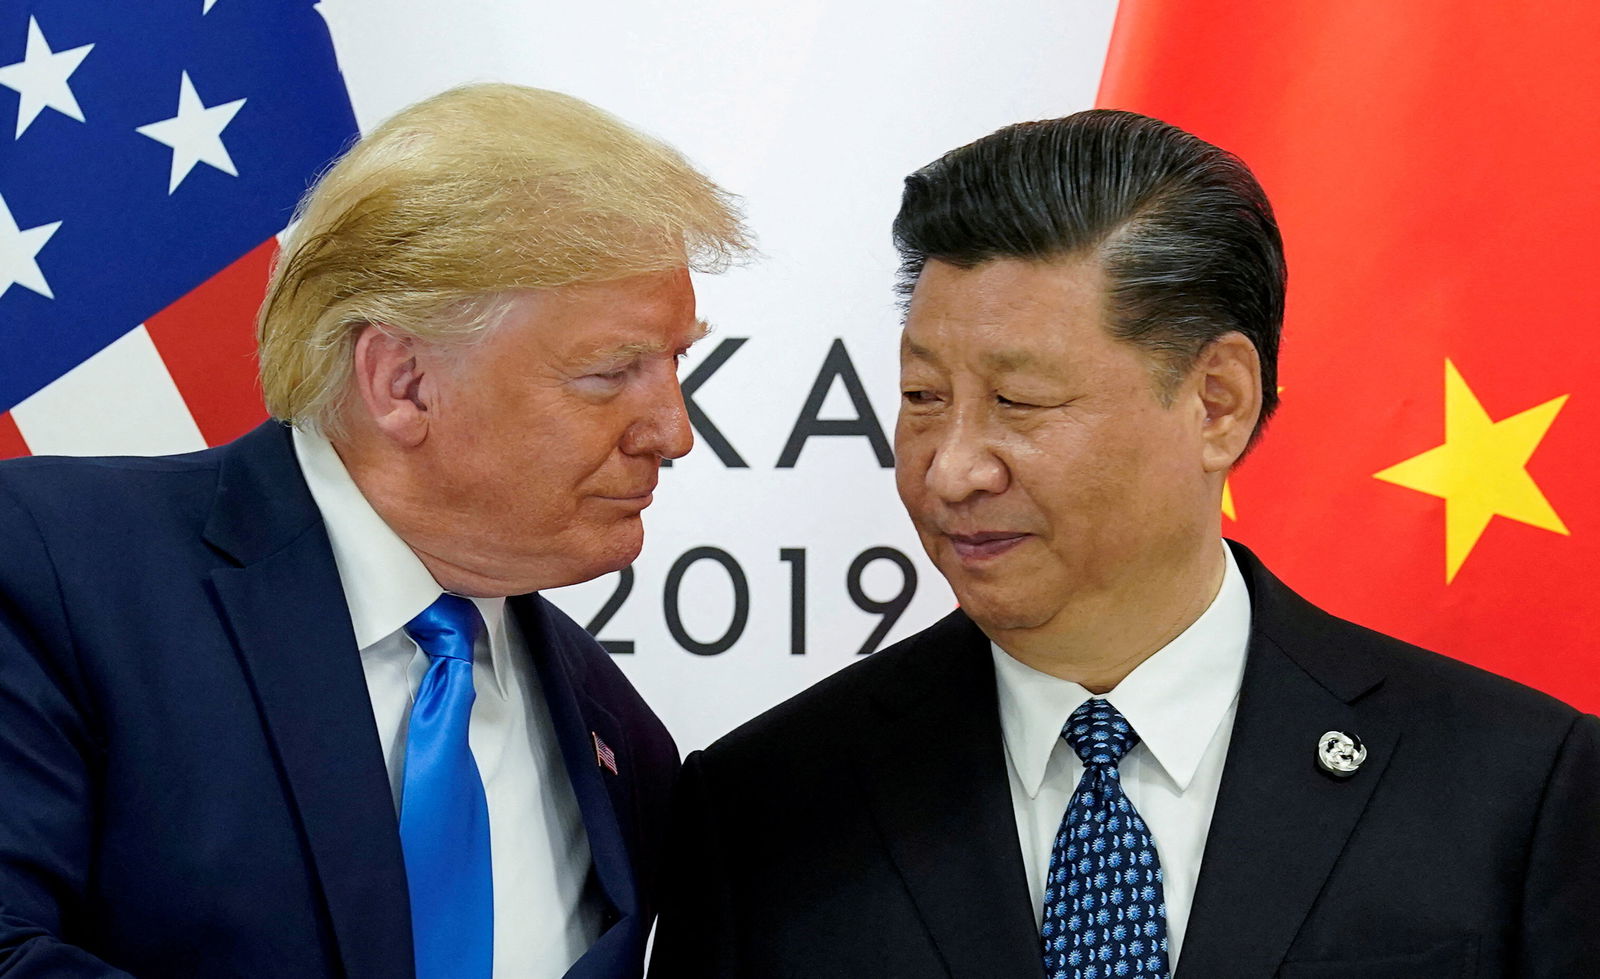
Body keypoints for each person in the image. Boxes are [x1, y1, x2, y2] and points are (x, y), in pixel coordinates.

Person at [648, 110, 1600, 978]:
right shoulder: (767, 807)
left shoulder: (1518, 788)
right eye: (924, 399)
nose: (951, 471)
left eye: (1019, 402)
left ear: (1216, 402)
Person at [0, 83, 748, 979]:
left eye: (674, 365)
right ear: (402, 381)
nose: (673, 431)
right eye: (611, 372)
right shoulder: (51, 571)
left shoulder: (621, 734)